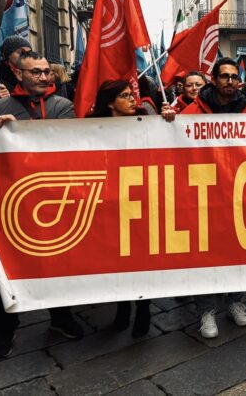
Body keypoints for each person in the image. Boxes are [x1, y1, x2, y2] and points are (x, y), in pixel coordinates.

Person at [0, 51, 84, 358]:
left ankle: (61, 316)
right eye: (36, 72)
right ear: (18, 74)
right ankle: (4, 325)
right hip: (12, 199)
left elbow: (69, 145)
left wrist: (21, 131)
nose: (44, 76)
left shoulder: (63, 106)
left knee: (58, 258)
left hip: (54, 198)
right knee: (4, 262)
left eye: (47, 71)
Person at [180, 57, 246, 338]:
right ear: (213, 80)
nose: (230, 81)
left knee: (238, 251)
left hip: (238, 194)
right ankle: (206, 311)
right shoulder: (193, 113)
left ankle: (236, 302)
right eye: (224, 76)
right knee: (204, 256)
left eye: (233, 77)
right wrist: (169, 122)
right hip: (203, 195)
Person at [89, 79, 175, 337]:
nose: (132, 100)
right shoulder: (91, 127)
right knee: (116, 257)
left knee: (141, 256)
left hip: (141, 198)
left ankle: (144, 308)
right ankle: (122, 306)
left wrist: (168, 119)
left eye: (131, 94)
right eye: (125, 96)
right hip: (109, 202)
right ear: (110, 103)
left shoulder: (146, 120)